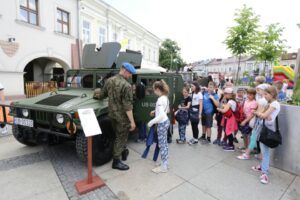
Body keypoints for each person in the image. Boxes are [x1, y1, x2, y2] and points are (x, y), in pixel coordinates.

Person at [95, 62, 136, 171]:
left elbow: (102, 95)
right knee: (121, 137)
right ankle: (116, 161)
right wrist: (132, 122)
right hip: (122, 117)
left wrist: (96, 93)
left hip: (111, 115)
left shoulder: (109, 81)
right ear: (125, 71)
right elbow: (128, 107)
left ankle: (123, 152)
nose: (130, 76)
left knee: (117, 135)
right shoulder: (126, 86)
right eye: (130, 73)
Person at [252, 86, 280, 184]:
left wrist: (257, 113)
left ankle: (265, 173)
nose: (264, 96)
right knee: (263, 151)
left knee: (265, 152)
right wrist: (259, 113)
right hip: (263, 129)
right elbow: (264, 115)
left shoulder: (275, 104)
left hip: (267, 131)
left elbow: (263, 115)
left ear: (271, 94)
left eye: (266, 94)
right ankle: (262, 167)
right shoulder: (270, 103)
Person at [147, 80, 170, 173]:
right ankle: (165, 163)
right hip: (165, 122)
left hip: (162, 123)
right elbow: (166, 111)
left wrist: (150, 122)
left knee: (162, 144)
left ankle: (164, 167)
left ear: (157, 89)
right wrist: (155, 111)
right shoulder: (165, 98)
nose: (154, 92)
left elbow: (162, 116)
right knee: (164, 144)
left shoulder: (160, 99)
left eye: (154, 90)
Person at [217, 87, 238, 151]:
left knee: (228, 132)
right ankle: (230, 144)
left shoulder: (231, 102)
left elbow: (224, 110)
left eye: (225, 94)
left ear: (229, 94)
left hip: (230, 119)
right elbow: (223, 106)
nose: (224, 95)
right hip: (229, 118)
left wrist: (219, 109)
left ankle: (231, 146)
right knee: (227, 131)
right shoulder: (231, 101)